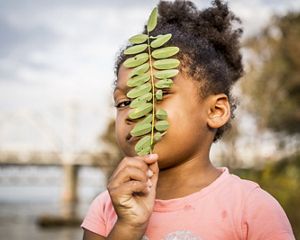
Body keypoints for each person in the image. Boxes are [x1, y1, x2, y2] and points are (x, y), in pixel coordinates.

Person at [81, 1, 295, 239]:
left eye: (157, 94)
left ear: (215, 111)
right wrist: (128, 227)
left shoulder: (252, 209)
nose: (135, 112)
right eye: (124, 102)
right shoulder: (107, 208)